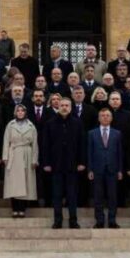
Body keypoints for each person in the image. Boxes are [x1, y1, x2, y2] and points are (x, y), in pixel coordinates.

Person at [42, 98, 87, 229]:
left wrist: (82, 162)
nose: (64, 107)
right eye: (62, 105)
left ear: (71, 107)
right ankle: (57, 221)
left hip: (72, 165)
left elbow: (82, 144)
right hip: (56, 165)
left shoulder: (77, 123)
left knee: (72, 195)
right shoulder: (50, 123)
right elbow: (45, 144)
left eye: (67, 105)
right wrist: (46, 163)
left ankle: (73, 221)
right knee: (56, 195)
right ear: (58, 106)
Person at [87, 108, 124, 229]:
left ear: (111, 118)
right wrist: (90, 169)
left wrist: (120, 170)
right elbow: (89, 152)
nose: (105, 117)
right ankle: (100, 220)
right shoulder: (92, 133)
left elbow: (120, 153)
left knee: (113, 196)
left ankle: (112, 220)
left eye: (108, 115)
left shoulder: (117, 133)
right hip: (97, 169)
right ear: (98, 118)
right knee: (98, 196)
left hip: (113, 169)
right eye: (102, 115)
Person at [2, 104, 39, 218]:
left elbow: (35, 144)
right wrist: (5, 157)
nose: (20, 113)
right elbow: (6, 141)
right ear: (15, 112)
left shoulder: (31, 126)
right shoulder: (10, 125)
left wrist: (34, 159)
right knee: (14, 183)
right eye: (18, 111)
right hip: (14, 154)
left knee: (25, 182)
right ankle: (15, 208)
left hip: (27, 154)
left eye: (22, 111)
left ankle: (22, 208)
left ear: (25, 112)